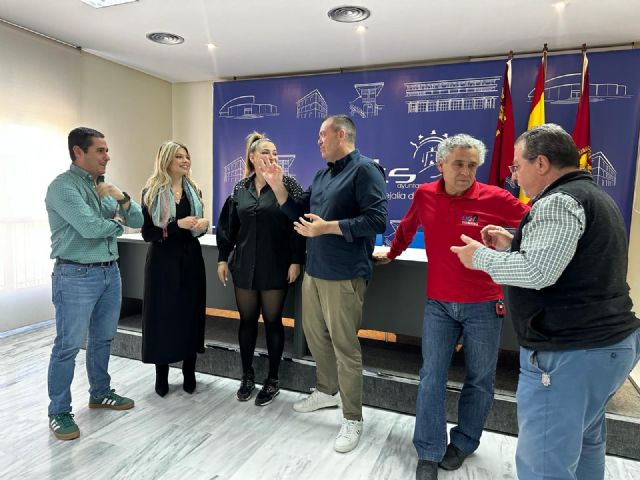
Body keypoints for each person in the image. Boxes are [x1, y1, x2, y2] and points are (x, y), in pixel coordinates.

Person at [451, 124, 640, 480]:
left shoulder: (558, 202)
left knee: (545, 464)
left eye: (517, 166)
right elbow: (571, 261)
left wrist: (481, 258)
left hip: (570, 353)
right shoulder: (592, 195)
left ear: (540, 163)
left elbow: (538, 273)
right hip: (608, 347)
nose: (513, 175)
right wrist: (513, 243)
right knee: (584, 444)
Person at [373, 134, 529, 480]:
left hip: (484, 305)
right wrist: (392, 253)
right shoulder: (425, 194)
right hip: (439, 305)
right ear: (441, 163)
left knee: (481, 379)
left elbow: (534, 222)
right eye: (459, 164)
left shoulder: (495, 197)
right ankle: (429, 451)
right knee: (432, 376)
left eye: (472, 165)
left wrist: (512, 242)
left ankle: (463, 443)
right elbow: (407, 227)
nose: (466, 171)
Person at [259, 114, 388, 453]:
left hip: (344, 273)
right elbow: (300, 213)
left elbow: (377, 220)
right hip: (315, 271)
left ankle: (353, 418)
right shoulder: (322, 174)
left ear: (340, 134)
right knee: (315, 336)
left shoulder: (365, 170)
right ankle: (327, 390)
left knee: (345, 347)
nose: (318, 140)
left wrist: (328, 227)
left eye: (322, 134)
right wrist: (277, 186)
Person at [45, 127, 144, 440]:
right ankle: (59, 411)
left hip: (109, 273)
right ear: (79, 152)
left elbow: (138, 220)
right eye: (100, 150)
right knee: (68, 345)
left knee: (102, 339)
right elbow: (89, 228)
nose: (107, 156)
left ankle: (100, 392)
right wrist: (117, 224)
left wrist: (121, 197)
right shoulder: (63, 187)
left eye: (107, 150)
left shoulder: (103, 186)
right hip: (75, 275)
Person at [216, 132, 305, 406]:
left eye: (275, 153)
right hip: (244, 266)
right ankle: (247, 376)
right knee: (246, 322)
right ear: (252, 157)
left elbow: (298, 223)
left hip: (275, 265)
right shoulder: (239, 189)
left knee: (273, 322)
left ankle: (273, 379)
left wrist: (296, 259)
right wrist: (222, 258)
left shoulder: (288, 184)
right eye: (266, 152)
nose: (272, 157)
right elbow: (228, 227)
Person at [140, 141, 208, 397]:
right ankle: (162, 376)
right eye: (179, 156)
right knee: (163, 317)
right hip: (162, 262)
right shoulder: (151, 192)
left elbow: (197, 230)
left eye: (187, 156)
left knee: (190, 315)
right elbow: (148, 233)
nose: (185, 160)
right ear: (166, 160)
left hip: (190, 259)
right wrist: (177, 225)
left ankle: (190, 372)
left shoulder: (194, 190)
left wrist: (202, 224)